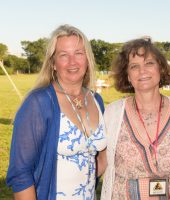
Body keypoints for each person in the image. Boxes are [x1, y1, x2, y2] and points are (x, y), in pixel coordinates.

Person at [6, 24, 107, 199]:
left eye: (78, 53)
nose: (72, 62)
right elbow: (20, 173)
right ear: (53, 63)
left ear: (87, 59)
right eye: (63, 55)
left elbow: (98, 160)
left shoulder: (96, 100)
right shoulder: (39, 102)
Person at [100, 38, 170, 199]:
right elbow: (101, 161)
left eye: (149, 63)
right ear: (127, 75)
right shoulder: (113, 112)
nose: (142, 71)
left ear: (161, 69)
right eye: (134, 66)